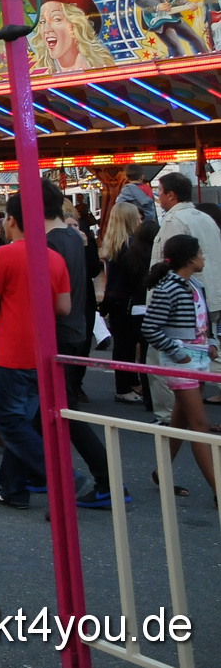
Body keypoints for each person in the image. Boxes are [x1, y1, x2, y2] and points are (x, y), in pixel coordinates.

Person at [0, 185, 73, 510]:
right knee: (22, 421)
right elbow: (64, 307)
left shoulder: (5, 255)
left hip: (11, 351)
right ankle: (13, 488)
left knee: (7, 421)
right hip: (42, 351)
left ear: (12, 221)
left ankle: (65, 477)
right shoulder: (54, 258)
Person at [45, 183, 120, 505]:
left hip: (57, 333)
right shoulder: (75, 238)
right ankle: (24, 478)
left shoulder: (50, 243)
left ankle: (104, 481)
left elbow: (53, 298)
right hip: (75, 328)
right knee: (42, 411)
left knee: (50, 411)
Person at [139, 234, 219, 496]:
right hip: (182, 362)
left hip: (198, 358)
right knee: (200, 425)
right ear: (190, 258)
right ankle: (218, 490)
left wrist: (210, 342)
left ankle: (161, 472)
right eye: (200, 253)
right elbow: (150, 327)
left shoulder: (194, 284)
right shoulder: (170, 288)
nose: (203, 257)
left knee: (181, 422)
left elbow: (202, 321)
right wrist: (177, 352)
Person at [150, 170, 221, 411]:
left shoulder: (174, 221)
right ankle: (185, 416)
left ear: (171, 195)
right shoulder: (206, 218)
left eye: (160, 191)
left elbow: (170, 261)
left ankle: (169, 414)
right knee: (208, 353)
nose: (159, 197)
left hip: (182, 303)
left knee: (165, 361)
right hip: (209, 296)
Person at [99, 204, 148, 404]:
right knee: (128, 345)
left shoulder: (113, 243)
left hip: (115, 299)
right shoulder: (131, 246)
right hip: (129, 300)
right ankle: (125, 387)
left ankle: (128, 384)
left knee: (122, 344)